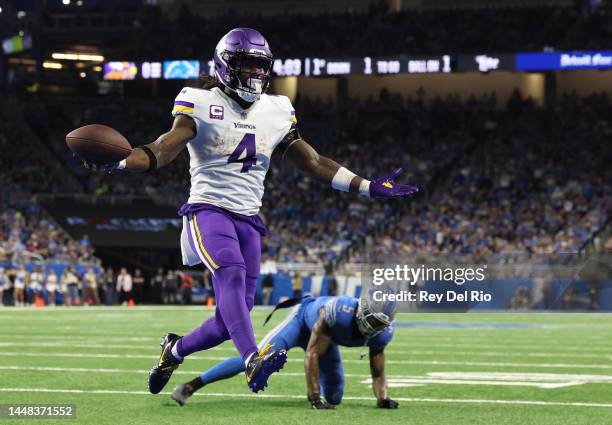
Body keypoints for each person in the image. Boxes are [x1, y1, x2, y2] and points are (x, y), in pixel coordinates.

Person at [78, 28, 417, 394]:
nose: (256, 74)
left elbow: (313, 161)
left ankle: (173, 350)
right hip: (208, 209)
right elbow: (162, 149)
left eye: (260, 66)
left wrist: (366, 185)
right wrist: (122, 162)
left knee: (227, 323)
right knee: (232, 272)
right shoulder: (200, 101)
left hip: (249, 220)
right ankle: (253, 359)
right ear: (225, 65)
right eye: (247, 65)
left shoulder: (276, 109)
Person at [171, 292, 400, 410]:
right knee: (257, 359)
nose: (374, 327)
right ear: (362, 309)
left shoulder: (383, 334)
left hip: (326, 339)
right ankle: (191, 386)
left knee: (335, 398)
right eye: (372, 319)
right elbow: (311, 354)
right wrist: (313, 398)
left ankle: (322, 394)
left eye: (380, 323)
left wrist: (382, 398)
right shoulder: (338, 312)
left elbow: (378, 372)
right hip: (302, 323)